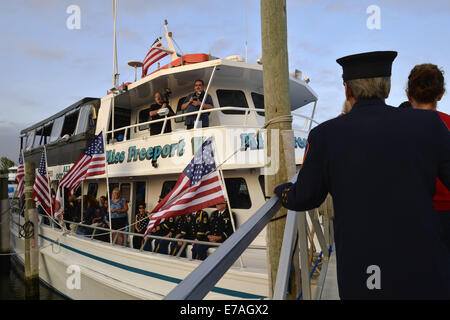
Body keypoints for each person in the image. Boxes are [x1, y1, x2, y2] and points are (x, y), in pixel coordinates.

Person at [274, 51, 450, 299]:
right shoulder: (429, 124)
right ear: (387, 89)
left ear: (348, 91)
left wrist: (282, 192)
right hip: (423, 265)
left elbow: (306, 197)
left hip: (365, 272)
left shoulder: (325, 135)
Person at [406, 63, 450, 251]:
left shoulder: (397, 127)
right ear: (440, 94)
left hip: (412, 212)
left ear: (408, 94)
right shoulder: (447, 124)